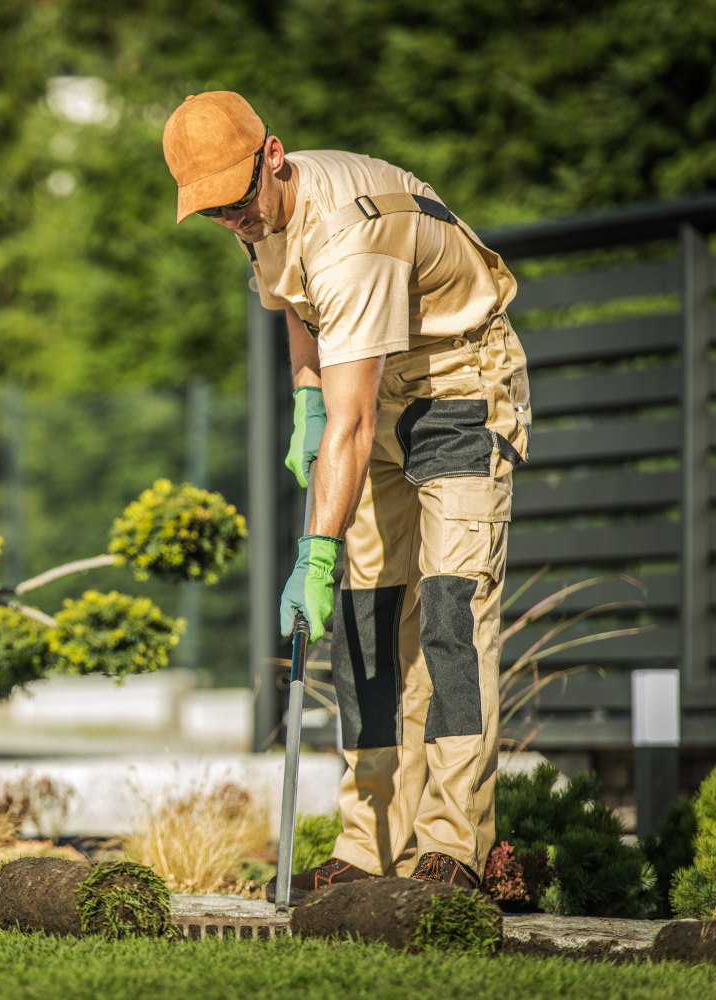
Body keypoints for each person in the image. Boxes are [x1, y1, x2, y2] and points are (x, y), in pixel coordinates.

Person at [163, 91, 531, 902]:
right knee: (365, 622)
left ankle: (453, 846)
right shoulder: (262, 215)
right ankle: (369, 847)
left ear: (274, 156)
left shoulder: (350, 238)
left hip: (460, 389)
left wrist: (317, 551)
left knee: (448, 613)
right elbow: (298, 307)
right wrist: (305, 401)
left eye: (238, 201)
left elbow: (355, 422)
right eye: (215, 212)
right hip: (376, 390)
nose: (234, 221)